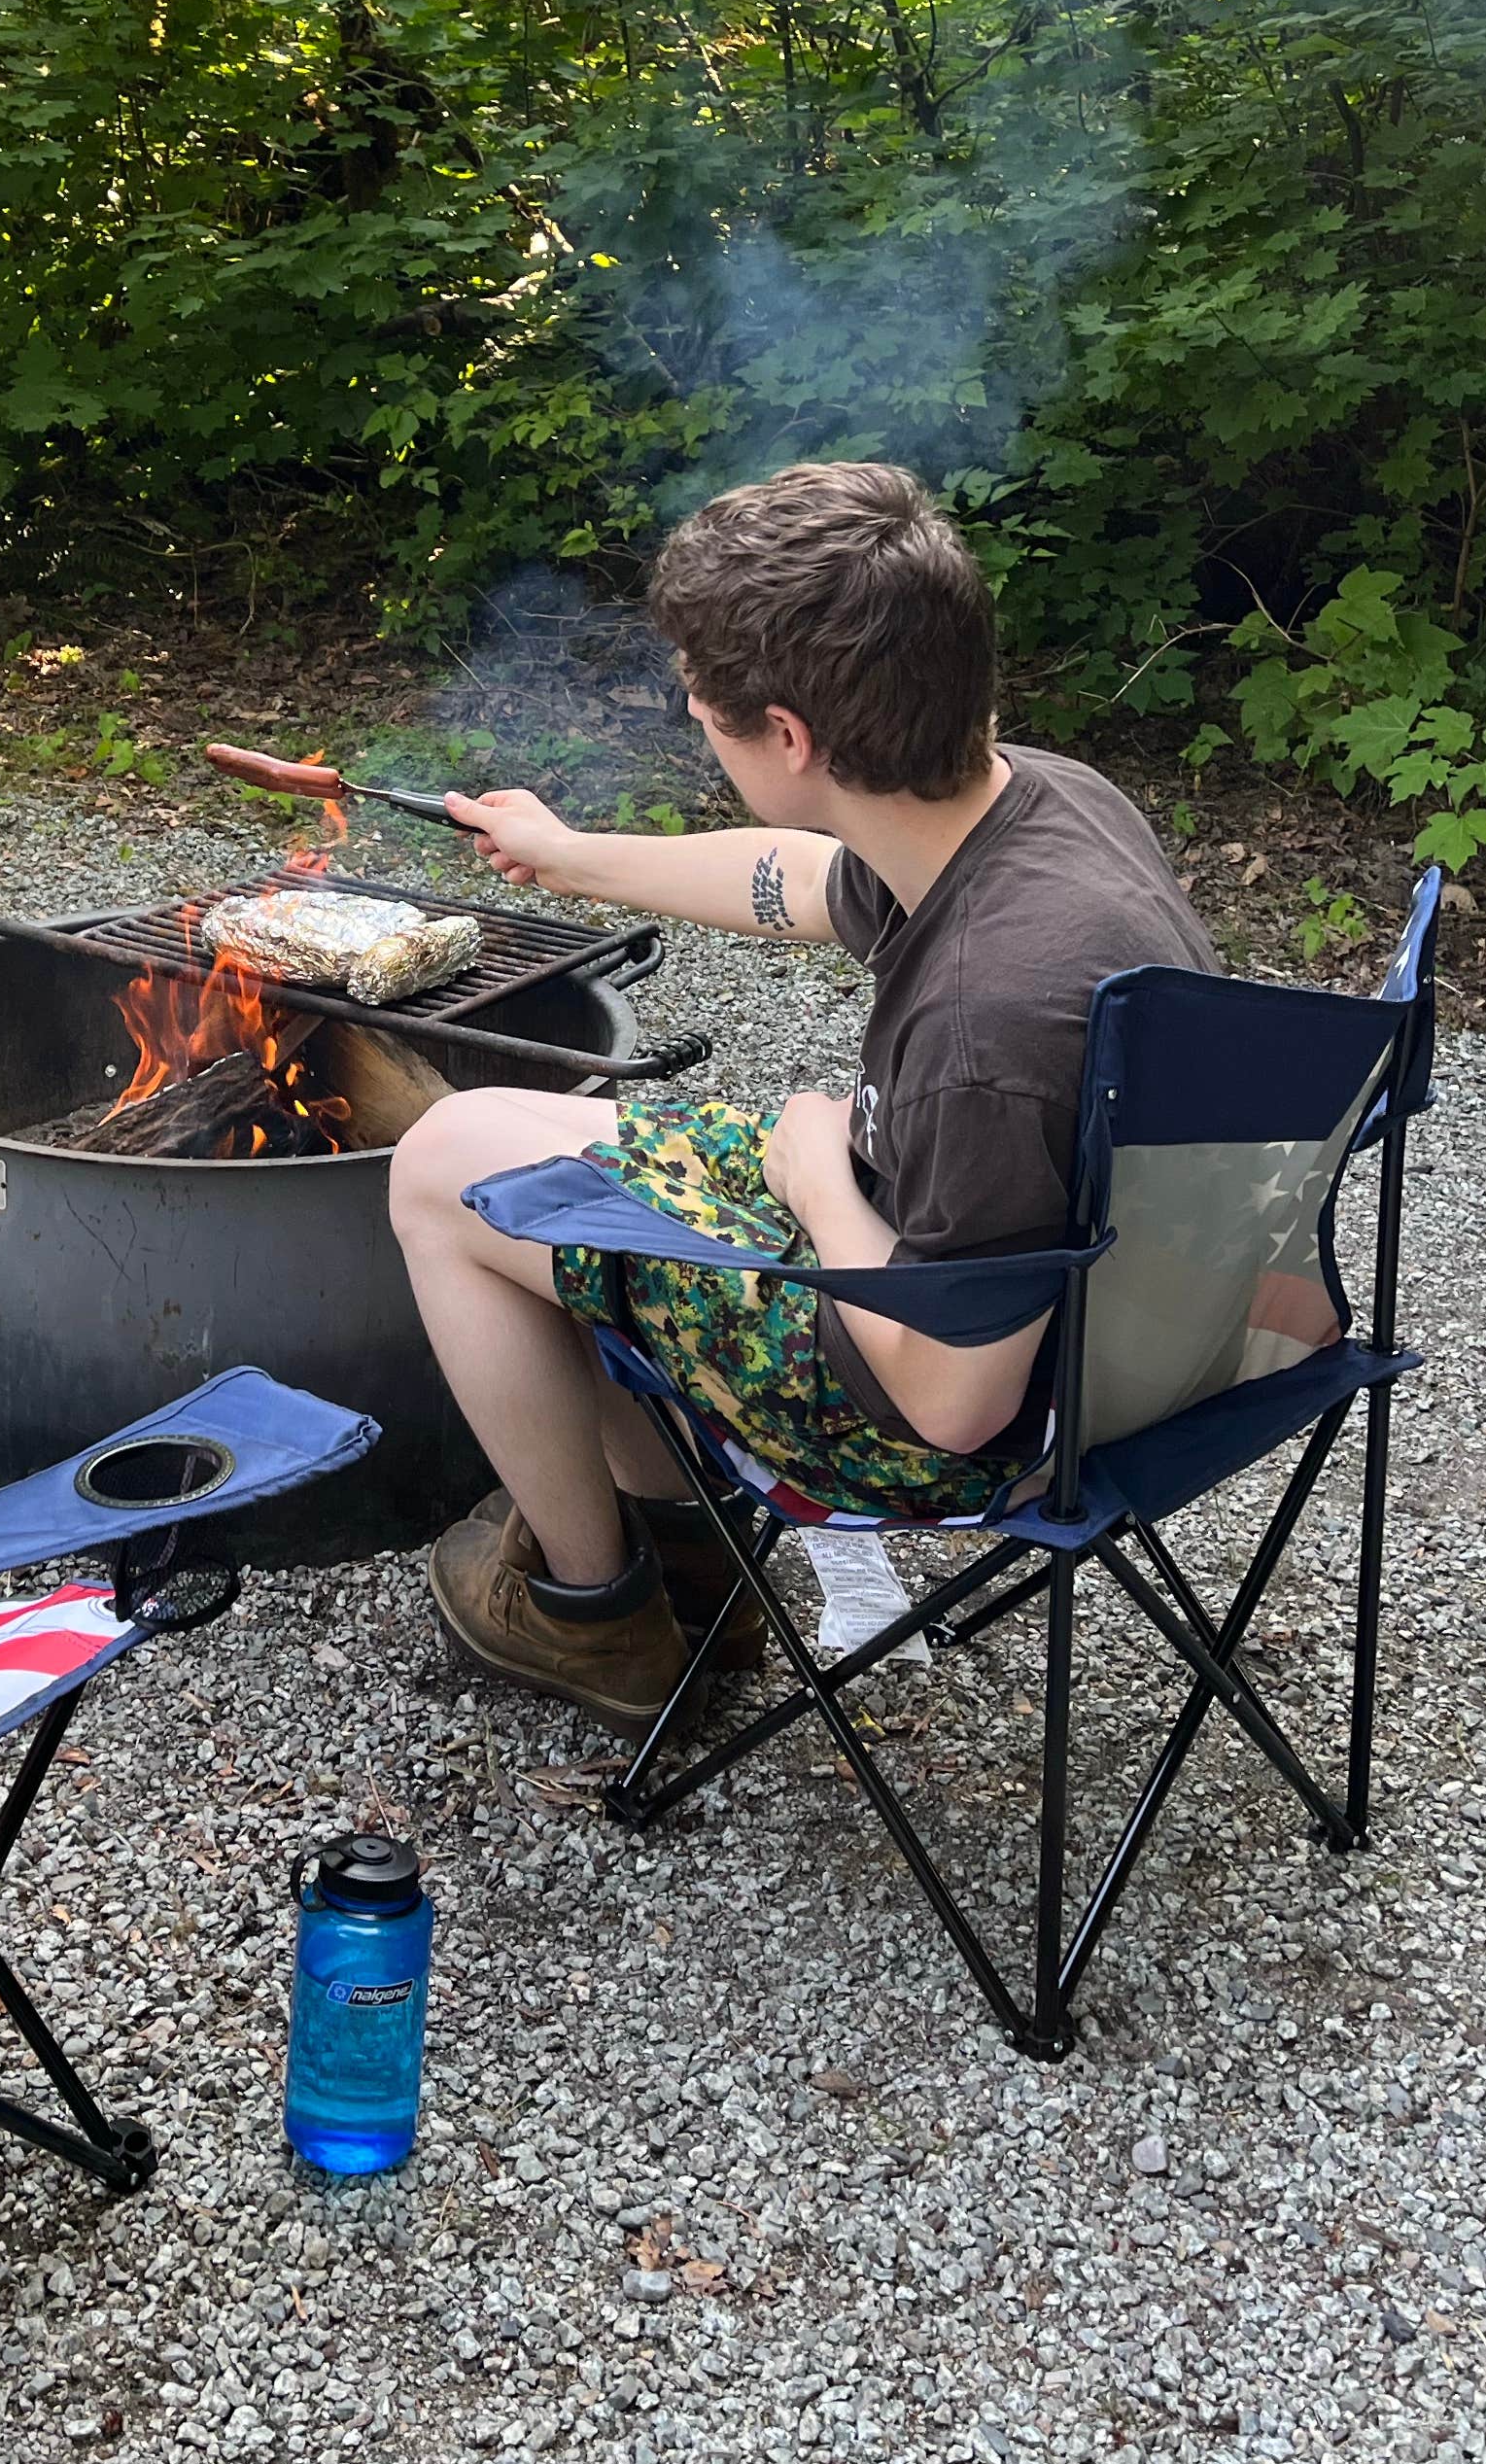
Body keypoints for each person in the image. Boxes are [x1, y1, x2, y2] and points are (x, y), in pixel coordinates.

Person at [389, 459, 1219, 1736]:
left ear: (789, 737)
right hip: (1076, 1306)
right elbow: (804, 872)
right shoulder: (1032, 807)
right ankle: (690, 1557)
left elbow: (953, 1403)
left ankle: (597, 1612)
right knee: (495, 1136)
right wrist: (569, 859)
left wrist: (820, 1176)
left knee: (444, 1180)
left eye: (708, 716)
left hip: (934, 1394)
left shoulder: (991, 1018)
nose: (699, 729)